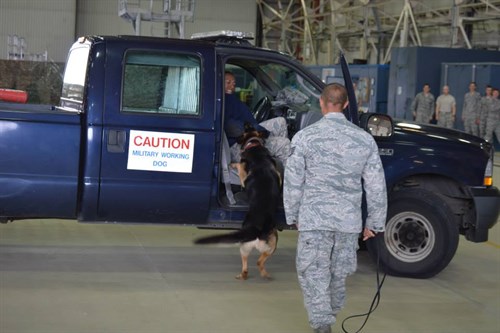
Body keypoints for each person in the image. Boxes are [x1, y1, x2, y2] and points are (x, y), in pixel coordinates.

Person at [283, 83, 387, 333]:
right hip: (347, 222)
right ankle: (327, 317)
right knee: (338, 275)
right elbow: (376, 185)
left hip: (314, 220)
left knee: (314, 274)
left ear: (321, 102)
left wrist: (293, 213)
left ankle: (322, 324)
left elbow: (292, 180)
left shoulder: (305, 137)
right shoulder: (364, 140)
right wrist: (374, 222)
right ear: (347, 104)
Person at [224, 71, 290, 165]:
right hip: (238, 145)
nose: (232, 86)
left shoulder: (230, 98)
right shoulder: (222, 101)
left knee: (281, 121)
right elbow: (233, 127)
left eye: (234, 83)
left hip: (248, 133)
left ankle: (271, 163)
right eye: (228, 83)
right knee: (285, 144)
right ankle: (283, 177)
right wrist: (261, 132)